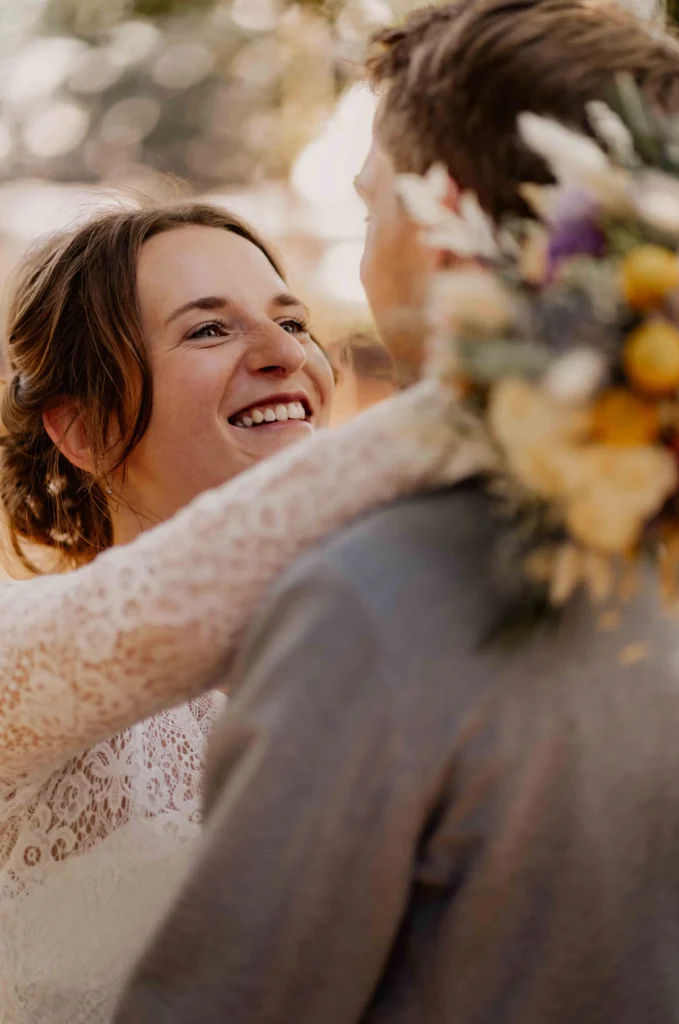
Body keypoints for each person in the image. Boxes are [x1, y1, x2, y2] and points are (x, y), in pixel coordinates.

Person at [114, 4, 679, 1024]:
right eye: (209, 326)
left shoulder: (378, 599)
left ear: (435, 219)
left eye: (369, 205)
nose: (295, 343)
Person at [0, 201, 473, 1024]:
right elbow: (179, 601)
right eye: (209, 331)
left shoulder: (401, 659)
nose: (284, 354)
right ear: (81, 428)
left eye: (292, 320)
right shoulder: (21, 655)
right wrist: (515, 402)